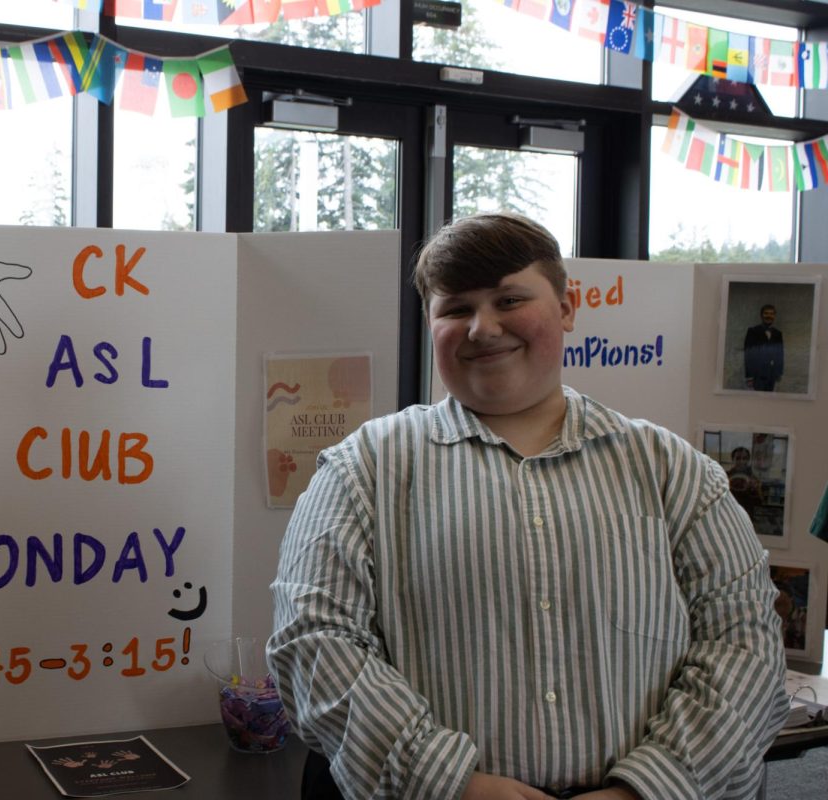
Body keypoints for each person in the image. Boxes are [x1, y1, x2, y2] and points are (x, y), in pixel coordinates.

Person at [267, 213, 788, 800]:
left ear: (566, 309)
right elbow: (313, 642)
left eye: (509, 298)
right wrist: (449, 783)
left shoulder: (675, 472)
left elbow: (745, 647)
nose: (482, 328)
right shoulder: (360, 471)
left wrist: (646, 789)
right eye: (456, 308)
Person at [743, 304, 783, 391]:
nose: (769, 316)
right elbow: (748, 354)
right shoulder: (753, 331)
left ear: (775, 316)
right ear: (761, 315)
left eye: (772, 314)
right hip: (757, 375)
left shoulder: (778, 333)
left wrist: (779, 373)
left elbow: (780, 354)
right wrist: (749, 376)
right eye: (766, 313)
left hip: (772, 375)